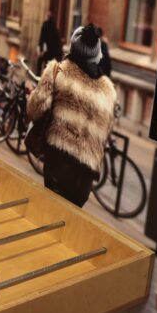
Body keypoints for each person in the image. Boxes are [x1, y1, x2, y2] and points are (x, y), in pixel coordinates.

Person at [26, 24, 117, 207]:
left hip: (58, 164)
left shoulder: (57, 71)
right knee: (69, 221)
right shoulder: (108, 91)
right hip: (85, 178)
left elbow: (34, 110)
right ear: (97, 54)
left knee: (50, 212)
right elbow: (106, 132)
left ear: (72, 47)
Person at [37, 11, 62, 75]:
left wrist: (41, 49)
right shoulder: (54, 26)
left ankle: (38, 76)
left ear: (47, 17)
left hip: (46, 49)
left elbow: (43, 38)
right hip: (52, 51)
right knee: (47, 65)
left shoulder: (45, 25)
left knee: (40, 61)